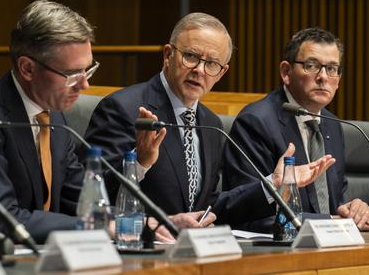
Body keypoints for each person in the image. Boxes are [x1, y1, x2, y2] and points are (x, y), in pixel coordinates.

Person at [83, 13, 334, 228]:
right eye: (191, 56)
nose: (200, 70)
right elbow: (93, 196)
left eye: (212, 63)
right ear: (168, 55)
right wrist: (138, 163)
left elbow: (214, 207)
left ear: (222, 72)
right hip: (139, 250)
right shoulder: (123, 108)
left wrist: (273, 185)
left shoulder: (211, 124)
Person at [0, 0, 100, 243]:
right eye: (72, 74)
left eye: (88, 70)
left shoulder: (53, 117)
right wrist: (93, 226)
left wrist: (140, 222)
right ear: (28, 69)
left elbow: (77, 199)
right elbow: (4, 217)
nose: (84, 85)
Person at [223, 27, 369, 232]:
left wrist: (354, 211)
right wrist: (333, 222)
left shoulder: (332, 124)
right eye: (311, 66)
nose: (323, 77)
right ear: (286, 72)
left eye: (332, 68)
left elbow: (335, 203)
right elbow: (246, 212)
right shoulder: (257, 122)